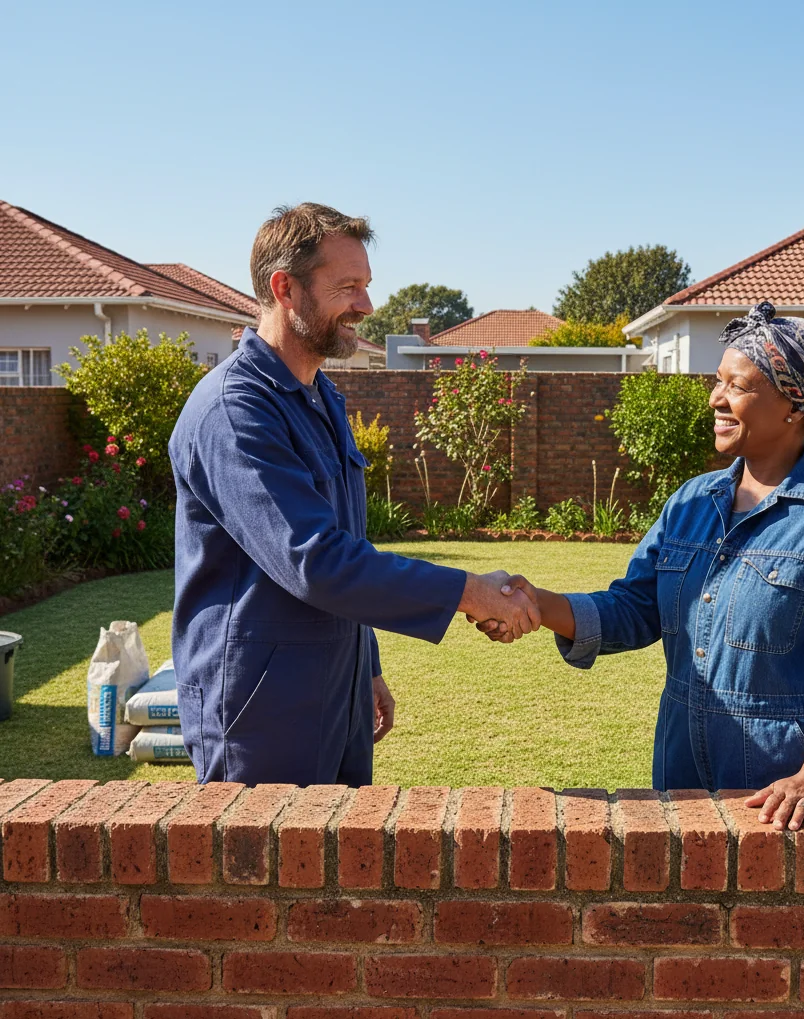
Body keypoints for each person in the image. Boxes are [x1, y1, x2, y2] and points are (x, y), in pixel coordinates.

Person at [474, 302, 804, 831]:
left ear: (794, 403)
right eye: (717, 381)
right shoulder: (691, 502)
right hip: (678, 775)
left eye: (738, 386)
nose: (716, 398)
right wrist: (538, 604)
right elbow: (635, 607)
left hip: (779, 794)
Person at [169, 203, 539, 787]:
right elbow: (315, 561)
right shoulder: (236, 411)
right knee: (272, 874)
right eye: (347, 288)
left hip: (335, 693)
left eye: (366, 286)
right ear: (284, 288)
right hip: (259, 711)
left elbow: (347, 542)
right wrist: (472, 593)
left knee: (341, 869)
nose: (366, 307)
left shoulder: (319, 397)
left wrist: (365, 669)